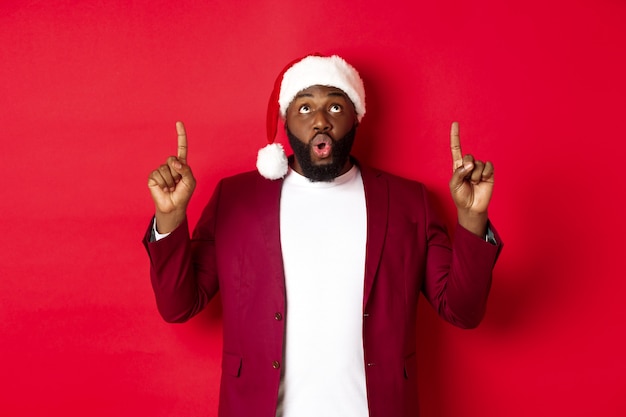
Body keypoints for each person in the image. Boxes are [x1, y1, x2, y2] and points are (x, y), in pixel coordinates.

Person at [143, 54, 502, 417]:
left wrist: (473, 219)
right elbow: (178, 306)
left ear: (355, 117)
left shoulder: (410, 202)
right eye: (304, 108)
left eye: (334, 105)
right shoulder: (235, 199)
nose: (320, 121)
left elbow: (462, 311)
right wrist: (169, 218)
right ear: (285, 120)